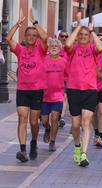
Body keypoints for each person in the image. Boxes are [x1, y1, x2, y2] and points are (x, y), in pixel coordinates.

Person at [6, 9, 48, 162]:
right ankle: (23, 150)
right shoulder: (20, 50)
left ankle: (34, 142)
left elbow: (45, 37)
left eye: (33, 36)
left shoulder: (41, 50)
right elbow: (8, 39)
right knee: (22, 118)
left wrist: (35, 22)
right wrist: (17, 24)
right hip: (22, 90)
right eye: (28, 35)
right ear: (25, 37)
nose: (31, 37)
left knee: (33, 121)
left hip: (37, 90)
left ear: (36, 38)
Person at [65, 12, 102, 167]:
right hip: (74, 89)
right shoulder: (73, 49)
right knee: (75, 125)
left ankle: (84, 155)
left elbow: (100, 47)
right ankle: (77, 146)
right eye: (80, 34)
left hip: (90, 90)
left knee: (86, 123)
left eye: (85, 34)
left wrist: (92, 31)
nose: (82, 36)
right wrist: (79, 25)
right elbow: (67, 44)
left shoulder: (93, 48)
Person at [41, 38, 67, 152]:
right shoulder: (43, 60)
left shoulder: (64, 61)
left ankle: (52, 141)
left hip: (58, 95)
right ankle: (47, 128)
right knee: (44, 120)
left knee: (55, 118)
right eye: (51, 45)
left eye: (56, 45)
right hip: (44, 95)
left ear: (60, 48)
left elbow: (69, 75)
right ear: (48, 48)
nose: (54, 47)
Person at [57, 30, 69, 128]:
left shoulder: (70, 49)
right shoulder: (55, 48)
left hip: (66, 78)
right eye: (62, 36)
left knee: (64, 97)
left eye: (66, 36)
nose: (64, 38)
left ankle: (61, 117)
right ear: (59, 37)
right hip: (55, 78)